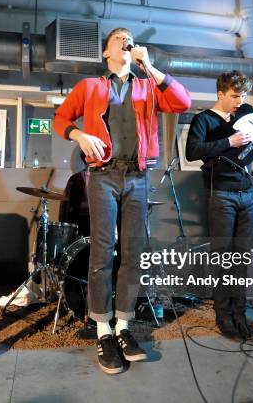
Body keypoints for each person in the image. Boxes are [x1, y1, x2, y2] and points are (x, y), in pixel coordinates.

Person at [53, 27, 191, 374]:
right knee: (103, 251)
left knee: (133, 252)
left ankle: (124, 326)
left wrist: (151, 65)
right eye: (119, 39)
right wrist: (79, 134)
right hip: (103, 176)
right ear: (105, 53)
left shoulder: (147, 85)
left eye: (130, 39)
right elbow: (60, 118)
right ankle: (102, 329)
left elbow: (182, 102)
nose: (126, 42)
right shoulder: (91, 87)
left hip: (137, 176)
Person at [185, 71, 253, 340]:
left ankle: (240, 315)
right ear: (220, 94)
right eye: (234, 96)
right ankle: (223, 315)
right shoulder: (203, 119)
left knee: (242, 258)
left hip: (247, 193)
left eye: (242, 96)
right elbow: (192, 152)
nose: (239, 101)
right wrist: (229, 141)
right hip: (220, 194)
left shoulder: (248, 113)